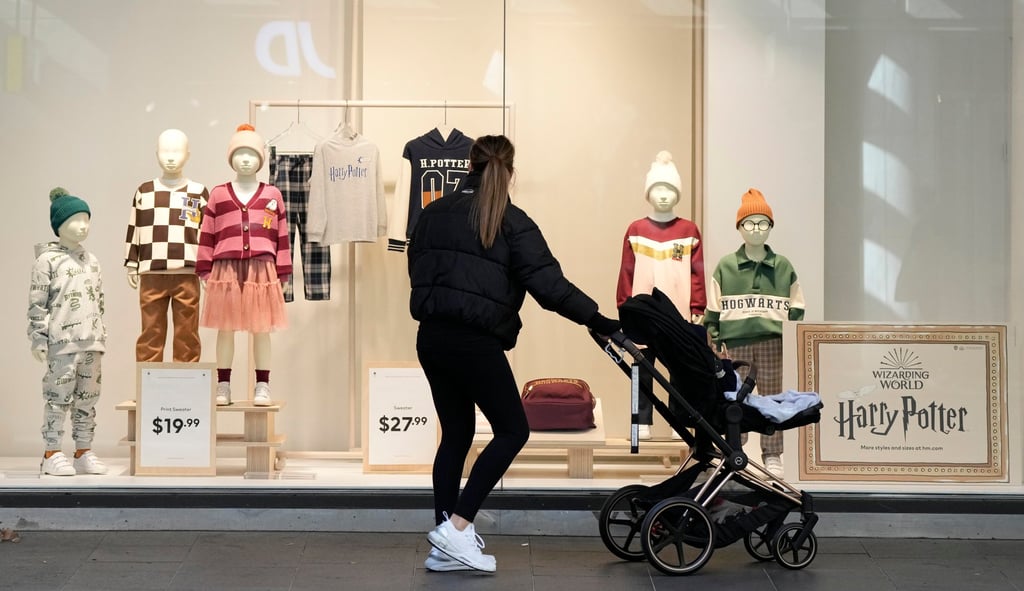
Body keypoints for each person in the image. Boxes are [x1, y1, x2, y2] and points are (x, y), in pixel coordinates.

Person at [408, 134, 619, 573]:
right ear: (510, 170)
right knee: (513, 430)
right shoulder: (511, 220)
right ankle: (457, 529)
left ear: (470, 164)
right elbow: (549, 286)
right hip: (474, 342)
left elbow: (417, 268)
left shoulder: (432, 214)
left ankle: (445, 543)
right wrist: (599, 320)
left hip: (431, 337)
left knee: (456, 435)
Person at [703, 188, 805, 478]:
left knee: (773, 398)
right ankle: (735, 450)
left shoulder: (783, 266)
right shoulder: (725, 266)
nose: (756, 229)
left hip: (773, 341)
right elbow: (713, 307)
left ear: (771, 227)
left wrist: (788, 331)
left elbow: (798, 305)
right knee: (734, 399)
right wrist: (715, 339)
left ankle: (773, 454)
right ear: (739, 227)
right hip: (734, 343)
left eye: (763, 223)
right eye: (750, 223)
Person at [196, 124, 291, 406]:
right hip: (224, 268)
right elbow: (207, 233)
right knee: (225, 329)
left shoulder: (273, 194)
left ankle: (263, 384)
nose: (246, 159)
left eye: (252, 153)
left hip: (261, 268)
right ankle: (223, 384)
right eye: (240, 153)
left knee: (261, 328)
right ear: (230, 157)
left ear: (262, 158)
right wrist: (204, 268)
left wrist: (283, 269)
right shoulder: (218, 194)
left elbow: (282, 234)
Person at [616, 150, 706, 440]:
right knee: (640, 369)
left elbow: (697, 272)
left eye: (669, 189)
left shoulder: (688, 230)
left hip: (678, 314)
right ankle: (640, 421)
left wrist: (697, 307)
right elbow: (626, 271)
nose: (664, 195)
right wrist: (623, 307)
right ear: (648, 193)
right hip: (642, 314)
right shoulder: (636, 229)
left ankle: (678, 422)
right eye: (658, 188)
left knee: (680, 369)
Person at [28, 187, 108, 476]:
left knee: (88, 399)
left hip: (91, 342)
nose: (83, 225)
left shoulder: (92, 261)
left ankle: (83, 449)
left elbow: (99, 299)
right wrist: (38, 337)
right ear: (60, 224)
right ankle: (51, 452)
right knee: (58, 397)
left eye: (86, 219)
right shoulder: (46, 261)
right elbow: (38, 303)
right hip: (62, 344)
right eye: (76, 219)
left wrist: (101, 334)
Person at [124, 128, 209, 362]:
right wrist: (132, 262)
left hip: (188, 272)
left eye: (177, 151)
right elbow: (135, 226)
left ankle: (187, 388)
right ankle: (148, 387)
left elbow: (206, 232)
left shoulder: (198, 191)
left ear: (188, 154)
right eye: (165, 151)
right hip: (152, 271)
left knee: (187, 334)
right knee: (151, 331)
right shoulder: (145, 191)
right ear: (156, 154)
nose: (170, 157)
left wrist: (206, 268)